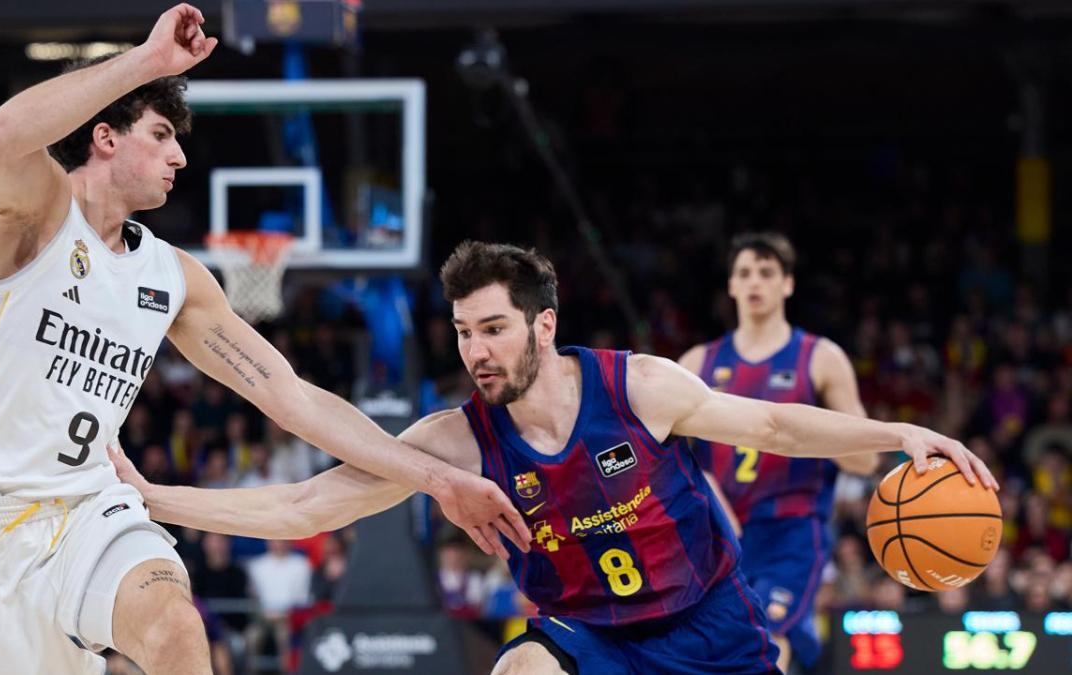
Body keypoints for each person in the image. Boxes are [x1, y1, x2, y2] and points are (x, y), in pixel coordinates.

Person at [0, 7, 526, 674]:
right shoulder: (35, 218)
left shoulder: (173, 278)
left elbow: (295, 399)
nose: (179, 155)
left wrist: (439, 480)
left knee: (174, 618)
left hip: (84, 513)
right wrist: (148, 61)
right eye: (162, 133)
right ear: (106, 136)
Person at [112, 241, 998, 674]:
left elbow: (776, 428)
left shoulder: (639, 386)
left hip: (709, 625)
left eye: (493, 327)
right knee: (520, 669)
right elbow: (308, 507)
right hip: (588, 635)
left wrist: (901, 435)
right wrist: (155, 498)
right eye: (463, 333)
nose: (477, 351)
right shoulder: (458, 440)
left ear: (543, 323)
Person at [678, 232, 878, 673]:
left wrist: (816, 434)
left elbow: (865, 461)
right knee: (715, 649)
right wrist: (705, 485)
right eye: (745, 273)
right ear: (730, 286)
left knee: (766, 638)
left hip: (790, 530)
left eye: (767, 273)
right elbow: (667, 457)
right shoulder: (698, 363)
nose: (755, 282)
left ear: (787, 284)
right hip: (717, 531)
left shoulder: (820, 358)